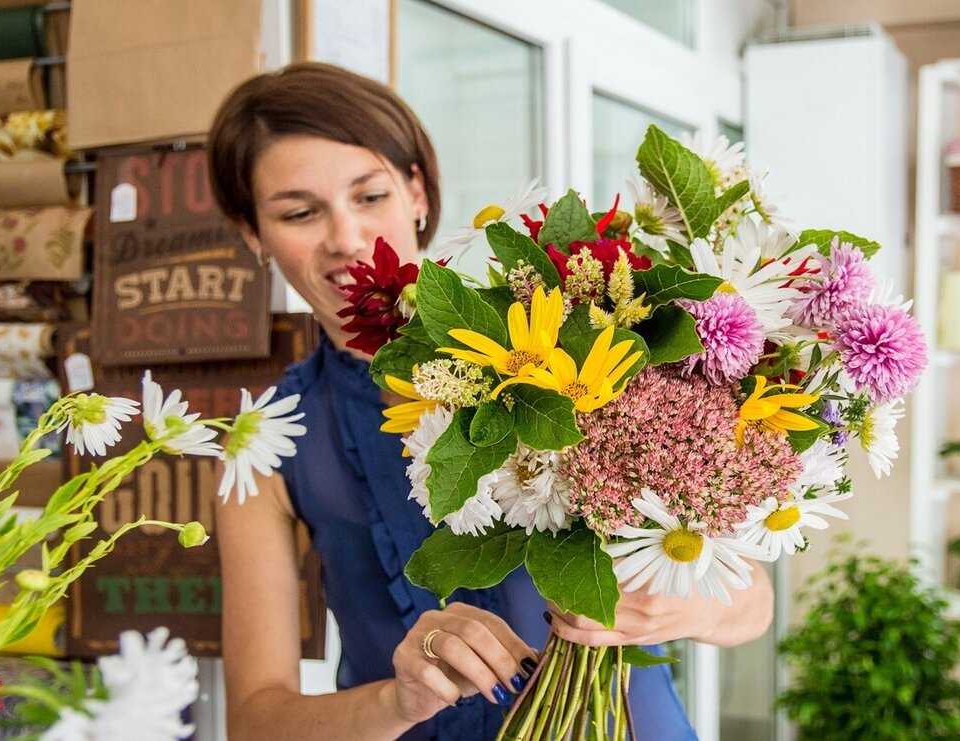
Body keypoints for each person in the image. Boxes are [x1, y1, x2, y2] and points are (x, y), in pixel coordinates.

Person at [208, 62, 774, 740]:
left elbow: (754, 602)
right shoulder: (267, 443)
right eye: (299, 212)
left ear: (417, 190)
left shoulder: (569, 335)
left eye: (369, 195)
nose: (347, 238)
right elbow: (255, 721)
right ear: (252, 234)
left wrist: (685, 611)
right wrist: (399, 699)